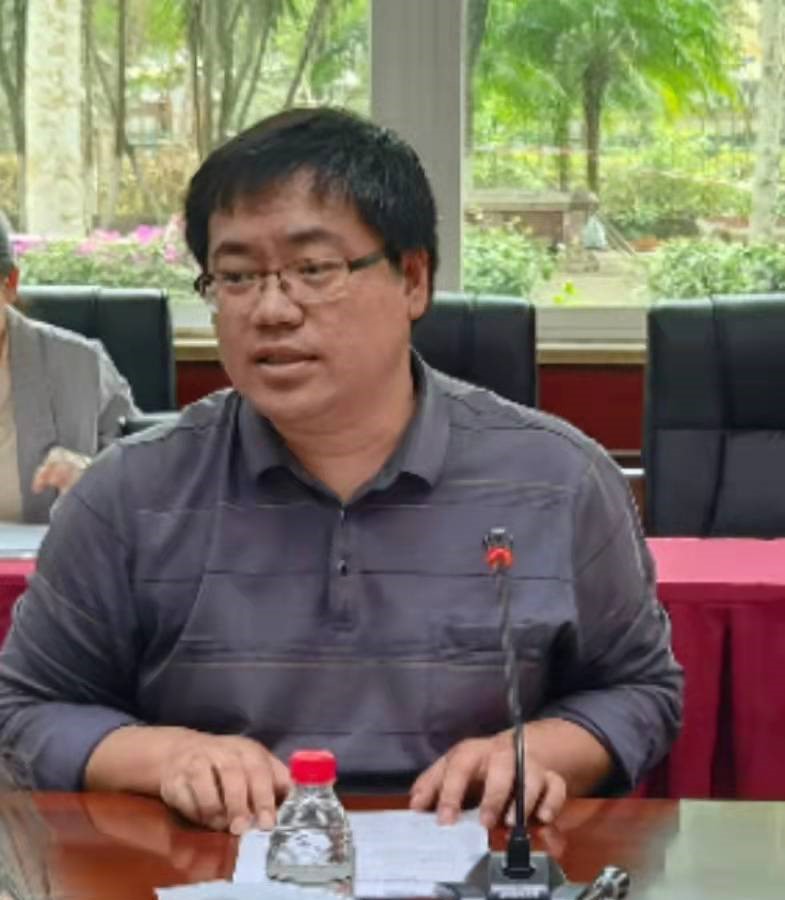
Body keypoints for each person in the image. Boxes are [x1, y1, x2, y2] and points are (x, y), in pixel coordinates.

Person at [0, 108, 683, 836]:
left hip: (472, 858)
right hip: (209, 864)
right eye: (236, 275)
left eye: (313, 269)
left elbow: (639, 689)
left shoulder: (560, 479)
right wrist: (164, 756)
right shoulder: (127, 493)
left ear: (412, 279)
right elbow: (24, 709)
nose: (271, 309)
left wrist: (541, 750)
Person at [0, 214, 139, 523]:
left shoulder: (82, 365)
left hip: (52, 550)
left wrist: (94, 476)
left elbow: (148, 474)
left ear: (10, 284)